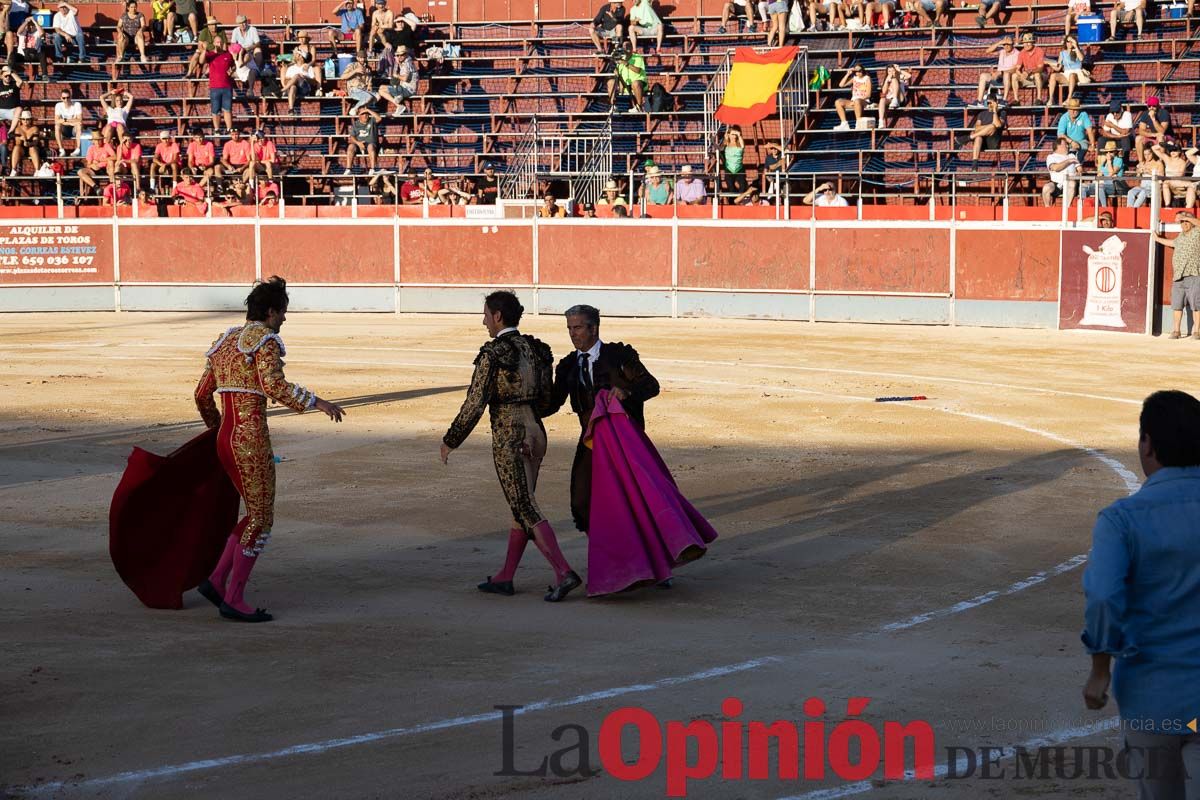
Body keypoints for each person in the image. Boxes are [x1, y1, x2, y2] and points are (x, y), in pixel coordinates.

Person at [194, 277, 345, 622]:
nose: (285, 320)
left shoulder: (224, 342)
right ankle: (233, 597)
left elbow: (202, 395)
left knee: (251, 513)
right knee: (261, 518)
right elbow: (273, 384)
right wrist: (317, 401)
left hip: (226, 441)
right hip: (250, 440)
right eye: (283, 313)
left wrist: (216, 430)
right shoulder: (265, 342)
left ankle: (217, 580)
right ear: (272, 311)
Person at [1082, 390, 1200, 798]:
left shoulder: (1122, 520)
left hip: (1155, 702)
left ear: (1147, 443)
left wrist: (1100, 670)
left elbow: (1102, 597)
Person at [440, 291, 582, 602]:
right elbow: (547, 402)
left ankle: (563, 572)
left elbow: (476, 402)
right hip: (537, 431)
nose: (483, 321)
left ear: (498, 316)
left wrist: (452, 439)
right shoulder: (537, 349)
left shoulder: (493, 354)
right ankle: (506, 576)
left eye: (486, 315)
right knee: (522, 505)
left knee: (524, 506)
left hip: (510, 434)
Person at [546, 303, 659, 537]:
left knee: (636, 500)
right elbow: (552, 403)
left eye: (577, 327)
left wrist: (627, 393)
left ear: (594, 328)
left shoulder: (619, 356)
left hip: (625, 441)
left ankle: (647, 556)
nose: (572, 334)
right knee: (581, 501)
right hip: (591, 439)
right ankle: (606, 552)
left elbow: (651, 386)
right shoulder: (568, 365)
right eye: (569, 328)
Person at [1154, 212, 1200, 339]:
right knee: (1177, 305)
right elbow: (1172, 243)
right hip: (1178, 276)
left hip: (1194, 274)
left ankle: (1196, 331)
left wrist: (1185, 217)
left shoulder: (1197, 233)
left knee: (1197, 305)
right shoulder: (1181, 236)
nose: (1184, 224)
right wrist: (1157, 239)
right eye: (1182, 222)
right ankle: (1176, 330)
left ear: (1191, 222)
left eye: (1187, 222)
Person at [968, 96, 1006, 166]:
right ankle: (975, 163)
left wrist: (994, 110)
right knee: (979, 137)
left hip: (993, 141)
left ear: (996, 102)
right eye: (987, 103)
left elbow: (997, 125)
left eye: (991, 103)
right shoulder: (982, 114)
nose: (989, 105)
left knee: (993, 127)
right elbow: (976, 128)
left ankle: (971, 137)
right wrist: (988, 128)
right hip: (981, 142)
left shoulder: (1002, 113)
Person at [608, 44, 647, 112]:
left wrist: (626, 63)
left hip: (638, 84)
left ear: (631, 48)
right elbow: (619, 75)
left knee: (635, 83)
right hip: (625, 85)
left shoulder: (637, 57)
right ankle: (613, 106)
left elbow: (638, 70)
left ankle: (639, 107)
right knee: (610, 82)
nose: (626, 48)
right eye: (624, 47)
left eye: (628, 46)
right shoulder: (620, 59)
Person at [1043, 137, 1080, 207]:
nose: (1068, 146)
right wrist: (1068, 161)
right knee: (1046, 188)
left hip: (1070, 181)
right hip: (1056, 183)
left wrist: (1078, 174)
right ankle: (1047, 209)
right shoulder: (1051, 157)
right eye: (1066, 144)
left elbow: (1080, 169)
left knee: (1072, 184)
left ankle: (1066, 209)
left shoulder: (1071, 155)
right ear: (1058, 146)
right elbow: (1055, 168)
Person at [833, 63, 870, 131]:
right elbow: (841, 85)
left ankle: (858, 123)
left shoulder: (867, 78)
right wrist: (848, 74)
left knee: (857, 101)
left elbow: (868, 94)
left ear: (863, 70)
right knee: (838, 102)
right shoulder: (854, 78)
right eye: (856, 71)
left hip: (864, 101)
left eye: (859, 71)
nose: (858, 73)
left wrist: (857, 101)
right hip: (854, 101)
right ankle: (844, 124)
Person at [344, 105, 380, 174]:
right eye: (363, 114)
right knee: (351, 146)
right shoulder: (356, 124)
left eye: (366, 113)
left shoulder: (372, 121)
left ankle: (372, 169)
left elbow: (379, 118)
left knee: (370, 147)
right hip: (359, 145)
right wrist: (358, 143)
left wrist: (368, 110)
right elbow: (352, 136)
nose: (365, 115)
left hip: (371, 144)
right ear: (359, 115)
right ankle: (348, 169)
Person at [52, 87, 82, 157]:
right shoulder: (58, 105)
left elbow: (80, 120)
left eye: (68, 97)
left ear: (71, 97)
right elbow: (56, 120)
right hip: (64, 129)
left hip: (74, 129)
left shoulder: (77, 104)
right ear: (61, 98)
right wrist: (71, 121)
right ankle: (61, 149)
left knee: (79, 125)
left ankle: (78, 149)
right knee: (57, 126)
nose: (66, 100)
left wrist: (63, 120)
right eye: (64, 98)